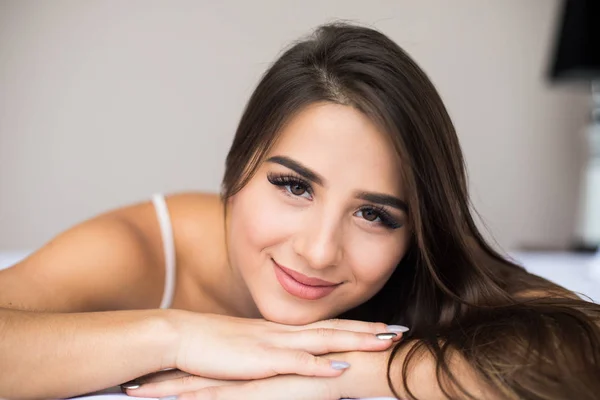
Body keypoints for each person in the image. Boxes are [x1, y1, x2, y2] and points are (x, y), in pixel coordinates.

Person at [1, 22, 599, 400]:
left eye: (375, 216)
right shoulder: (143, 249)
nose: (317, 251)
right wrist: (179, 335)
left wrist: (352, 373)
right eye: (294, 186)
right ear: (236, 172)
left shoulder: (417, 274)